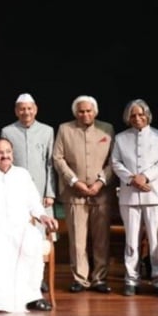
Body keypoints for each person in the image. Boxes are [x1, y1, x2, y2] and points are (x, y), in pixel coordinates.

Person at [0, 137, 58, 312]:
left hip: (21, 226)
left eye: (8, 152)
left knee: (32, 242)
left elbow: (34, 201)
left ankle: (33, 297)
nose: (5, 155)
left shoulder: (22, 174)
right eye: (0, 152)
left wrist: (43, 216)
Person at [52, 94, 115, 294]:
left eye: (88, 111)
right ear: (75, 113)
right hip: (74, 193)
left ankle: (99, 278)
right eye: (81, 111)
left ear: (95, 112)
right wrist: (74, 181)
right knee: (77, 240)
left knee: (101, 239)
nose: (85, 114)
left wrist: (100, 182)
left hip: (101, 193)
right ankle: (80, 278)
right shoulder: (65, 129)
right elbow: (58, 158)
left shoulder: (107, 129)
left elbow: (114, 160)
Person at [110, 99, 158, 297]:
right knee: (131, 241)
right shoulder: (120, 138)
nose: (137, 118)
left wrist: (145, 176)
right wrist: (131, 178)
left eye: (141, 114)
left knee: (156, 241)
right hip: (129, 196)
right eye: (133, 115)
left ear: (147, 115)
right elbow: (115, 162)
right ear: (128, 117)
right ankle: (131, 279)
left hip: (153, 195)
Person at [0, 92, 56, 293]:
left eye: (29, 108)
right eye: (22, 108)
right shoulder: (7, 131)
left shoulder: (47, 131)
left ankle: (38, 278)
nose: (26, 112)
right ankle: (17, 276)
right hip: (16, 193)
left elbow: (50, 163)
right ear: (16, 110)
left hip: (40, 194)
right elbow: (3, 163)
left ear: (35, 109)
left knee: (39, 238)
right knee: (18, 235)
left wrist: (50, 192)